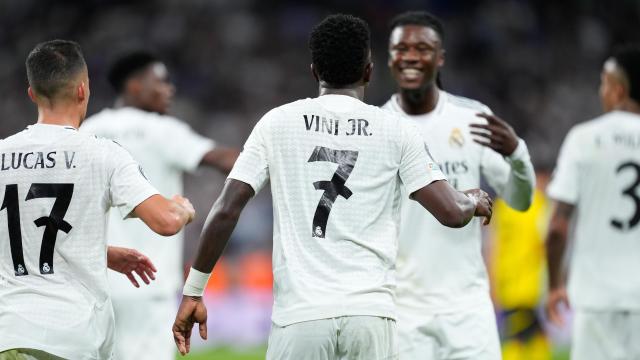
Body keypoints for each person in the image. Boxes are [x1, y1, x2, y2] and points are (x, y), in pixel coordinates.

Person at [172, 14, 494, 360]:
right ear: (369, 71)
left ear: (314, 71)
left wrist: (193, 292)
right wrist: (472, 199)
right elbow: (450, 212)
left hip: (301, 315)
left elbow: (227, 208)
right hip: (370, 314)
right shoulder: (396, 131)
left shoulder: (277, 123)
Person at [0, 40, 195, 360]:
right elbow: (166, 221)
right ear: (82, 91)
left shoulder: (2, 153)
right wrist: (184, 210)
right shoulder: (103, 154)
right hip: (70, 336)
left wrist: (100, 253)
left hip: (8, 333)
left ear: (32, 94)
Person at [382, 11, 535, 360]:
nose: (409, 56)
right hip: (401, 307)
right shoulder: (378, 126)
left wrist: (517, 154)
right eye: (400, 48)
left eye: (422, 47)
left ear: (441, 57)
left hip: (467, 307)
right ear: (388, 59)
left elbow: (520, 199)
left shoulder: (471, 119)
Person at [80, 51, 239, 360]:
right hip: (148, 283)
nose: (170, 90)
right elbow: (222, 160)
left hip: (95, 280)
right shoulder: (162, 130)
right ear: (136, 86)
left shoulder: (87, 130)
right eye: (162, 81)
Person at [546, 45, 640, 360]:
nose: (600, 91)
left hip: (597, 299)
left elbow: (558, 226)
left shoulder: (583, 139)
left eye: (603, 83)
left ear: (618, 90)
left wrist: (554, 284)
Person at [489, 171, 552, 360]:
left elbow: (493, 247)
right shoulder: (540, 204)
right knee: (526, 339)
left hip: (509, 284)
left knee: (524, 337)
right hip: (531, 286)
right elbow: (545, 243)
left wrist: (493, 283)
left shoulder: (502, 206)